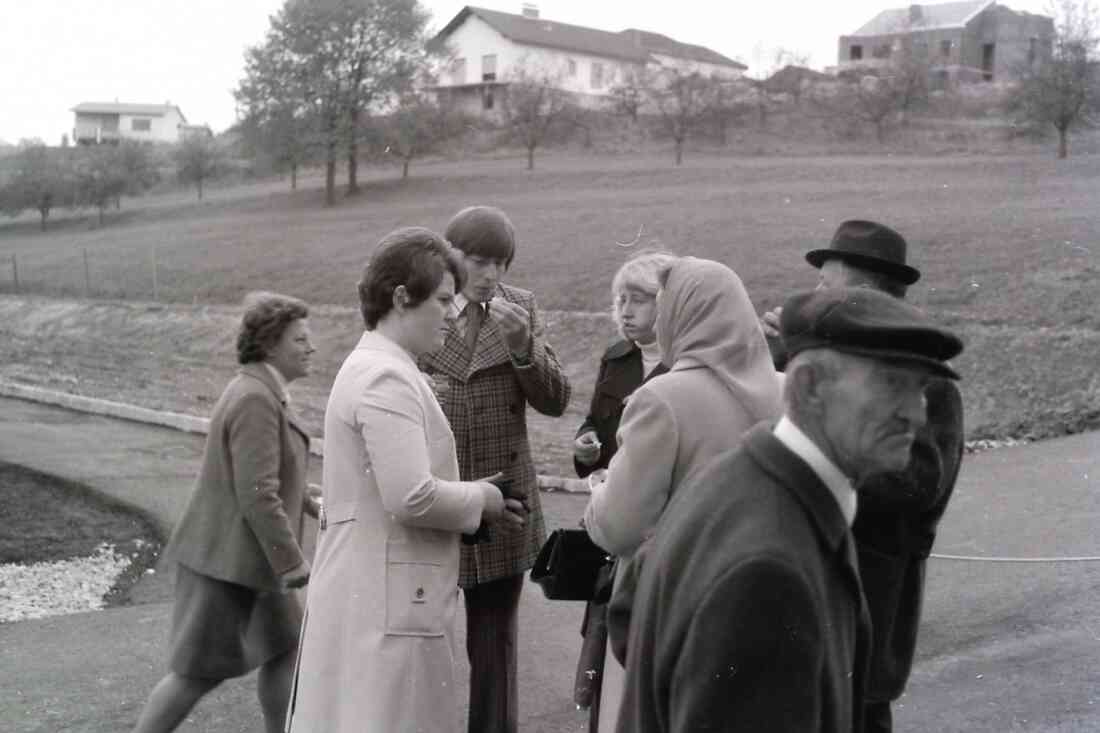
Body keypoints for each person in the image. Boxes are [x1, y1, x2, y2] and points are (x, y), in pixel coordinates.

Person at [616, 286, 965, 733]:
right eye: (892, 385)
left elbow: (629, 608)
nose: (916, 416)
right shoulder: (770, 571)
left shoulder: (729, 478)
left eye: (920, 390)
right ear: (809, 386)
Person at [286, 227, 526, 733]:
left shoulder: (381, 366)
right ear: (401, 298)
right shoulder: (385, 376)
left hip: (379, 588)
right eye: (442, 299)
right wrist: (482, 497)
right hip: (388, 598)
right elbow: (411, 496)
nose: (452, 312)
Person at [761, 220, 966, 733]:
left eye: (828, 288)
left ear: (868, 296)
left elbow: (916, 487)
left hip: (870, 600)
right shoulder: (831, 364)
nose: (817, 297)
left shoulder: (927, 385)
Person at [583, 256, 783, 733]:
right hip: (762, 601)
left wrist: (599, 488)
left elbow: (618, 527)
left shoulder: (663, 397)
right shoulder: (785, 390)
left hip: (668, 602)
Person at [133, 291, 319, 733]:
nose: (311, 348)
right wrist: (291, 560)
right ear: (271, 344)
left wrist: (303, 497)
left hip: (248, 559)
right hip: (227, 562)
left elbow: (263, 476)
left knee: (286, 648)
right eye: (300, 340)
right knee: (195, 674)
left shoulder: (261, 389)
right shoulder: (256, 397)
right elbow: (256, 492)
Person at [419, 205, 571, 733]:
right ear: (451, 256)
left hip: (504, 501)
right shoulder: (423, 305)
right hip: (438, 497)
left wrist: (524, 349)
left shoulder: (521, 308)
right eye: (479, 261)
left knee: (494, 642)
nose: (491, 276)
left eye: (501, 264)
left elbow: (556, 402)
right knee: (420, 638)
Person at [571, 250, 677, 731]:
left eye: (639, 300)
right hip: (611, 516)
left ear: (671, 304)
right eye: (620, 300)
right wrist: (586, 447)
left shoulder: (684, 367)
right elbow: (594, 423)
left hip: (658, 525)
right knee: (603, 645)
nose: (626, 311)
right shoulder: (615, 359)